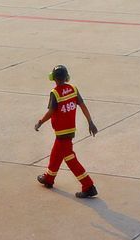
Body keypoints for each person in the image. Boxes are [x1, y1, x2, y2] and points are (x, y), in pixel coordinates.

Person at [34, 64, 99, 198]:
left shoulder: (55, 93)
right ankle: (49, 178)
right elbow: (83, 106)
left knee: (70, 159)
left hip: (61, 132)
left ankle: (88, 186)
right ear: (66, 77)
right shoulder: (73, 89)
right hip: (69, 131)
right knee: (56, 154)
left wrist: (40, 121)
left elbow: (51, 112)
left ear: (54, 78)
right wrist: (90, 122)